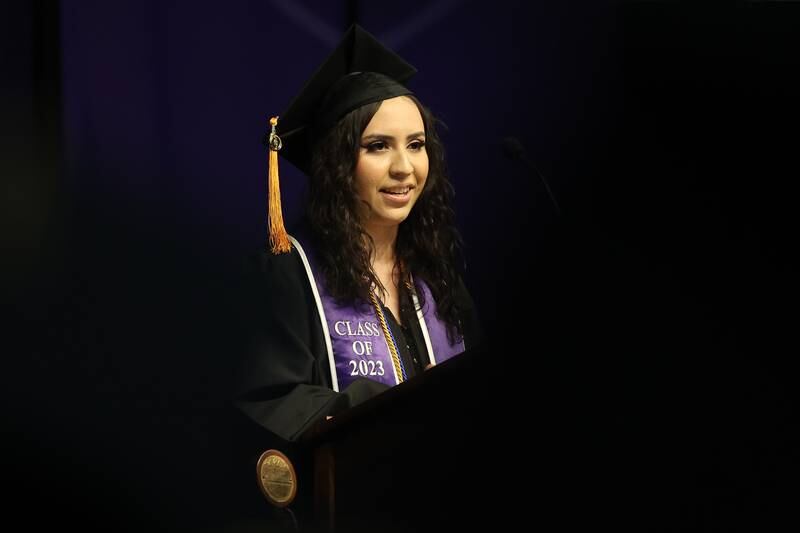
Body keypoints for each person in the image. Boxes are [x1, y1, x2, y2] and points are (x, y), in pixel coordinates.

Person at [228, 24, 482, 529]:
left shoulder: (437, 279)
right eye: (378, 147)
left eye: (416, 144)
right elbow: (271, 399)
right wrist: (391, 403)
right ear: (338, 163)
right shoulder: (290, 272)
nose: (404, 169)